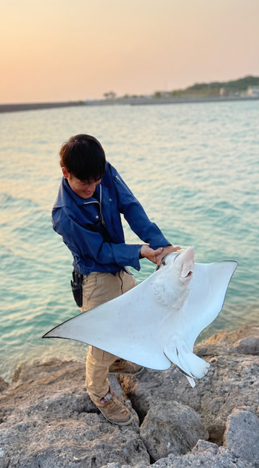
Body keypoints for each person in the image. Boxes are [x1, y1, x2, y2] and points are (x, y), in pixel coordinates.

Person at [52, 134, 179, 426]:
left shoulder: (104, 172)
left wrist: (162, 246)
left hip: (120, 265)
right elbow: (98, 251)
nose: (92, 187)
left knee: (136, 314)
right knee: (103, 339)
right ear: (65, 173)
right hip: (95, 276)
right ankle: (99, 393)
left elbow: (131, 207)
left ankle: (117, 361)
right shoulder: (64, 216)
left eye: (96, 181)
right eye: (84, 183)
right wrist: (140, 251)